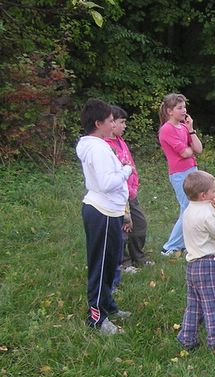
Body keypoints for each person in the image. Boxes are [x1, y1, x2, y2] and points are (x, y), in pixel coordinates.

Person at [76, 98, 133, 335]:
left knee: (110, 263)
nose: (113, 124)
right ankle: (97, 318)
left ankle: (108, 305)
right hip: (102, 212)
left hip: (110, 211)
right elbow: (107, 183)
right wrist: (126, 170)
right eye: (110, 120)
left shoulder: (96, 145)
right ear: (98, 124)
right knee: (101, 267)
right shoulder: (97, 148)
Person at [176, 171, 215, 351]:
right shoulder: (207, 213)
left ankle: (187, 338)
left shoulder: (188, 210)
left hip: (193, 265)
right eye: (213, 191)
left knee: (194, 306)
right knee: (214, 304)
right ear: (203, 195)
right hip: (209, 263)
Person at [106, 106, 150, 272]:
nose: (125, 126)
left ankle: (138, 257)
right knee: (122, 229)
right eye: (122, 122)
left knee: (140, 225)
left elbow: (131, 164)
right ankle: (124, 263)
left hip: (130, 193)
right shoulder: (105, 146)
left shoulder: (121, 141)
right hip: (117, 194)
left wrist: (134, 184)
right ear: (111, 123)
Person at [159, 93, 202, 257]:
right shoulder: (167, 129)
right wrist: (190, 151)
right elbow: (184, 153)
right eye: (179, 108)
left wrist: (191, 130)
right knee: (187, 208)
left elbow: (198, 149)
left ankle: (184, 243)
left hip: (192, 169)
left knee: (192, 206)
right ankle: (169, 247)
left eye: (184, 107)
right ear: (170, 111)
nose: (184, 110)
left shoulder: (184, 127)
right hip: (179, 173)